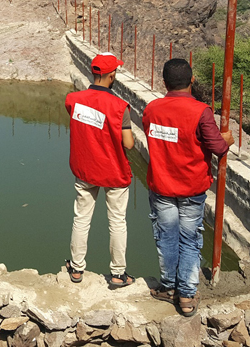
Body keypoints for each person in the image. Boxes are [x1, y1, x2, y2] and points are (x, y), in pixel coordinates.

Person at [143, 58, 234, 317]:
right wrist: (226, 140)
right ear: (192, 80)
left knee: (166, 238)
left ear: (164, 83)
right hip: (192, 189)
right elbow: (218, 147)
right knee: (190, 240)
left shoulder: (152, 109)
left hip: (161, 187)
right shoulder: (201, 111)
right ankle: (186, 295)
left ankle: (169, 287)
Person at [63, 52, 135, 288]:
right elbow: (128, 144)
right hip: (114, 171)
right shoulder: (120, 107)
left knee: (81, 218)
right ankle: (118, 273)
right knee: (117, 222)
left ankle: (76, 268)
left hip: (85, 169)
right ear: (111, 75)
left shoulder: (73, 99)